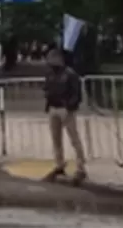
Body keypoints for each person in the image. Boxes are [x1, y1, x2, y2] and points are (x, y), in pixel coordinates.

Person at [42, 48, 87, 183]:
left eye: (52, 58)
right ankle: (59, 164)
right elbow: (47, 88)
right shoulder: (50, 74)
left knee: (74, 138)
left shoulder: (70, 74)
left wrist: (69, 106)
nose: (49, 61)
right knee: (56, 139)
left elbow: (76, 94)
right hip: (54, 108)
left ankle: (80, 167)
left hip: (65, 109)